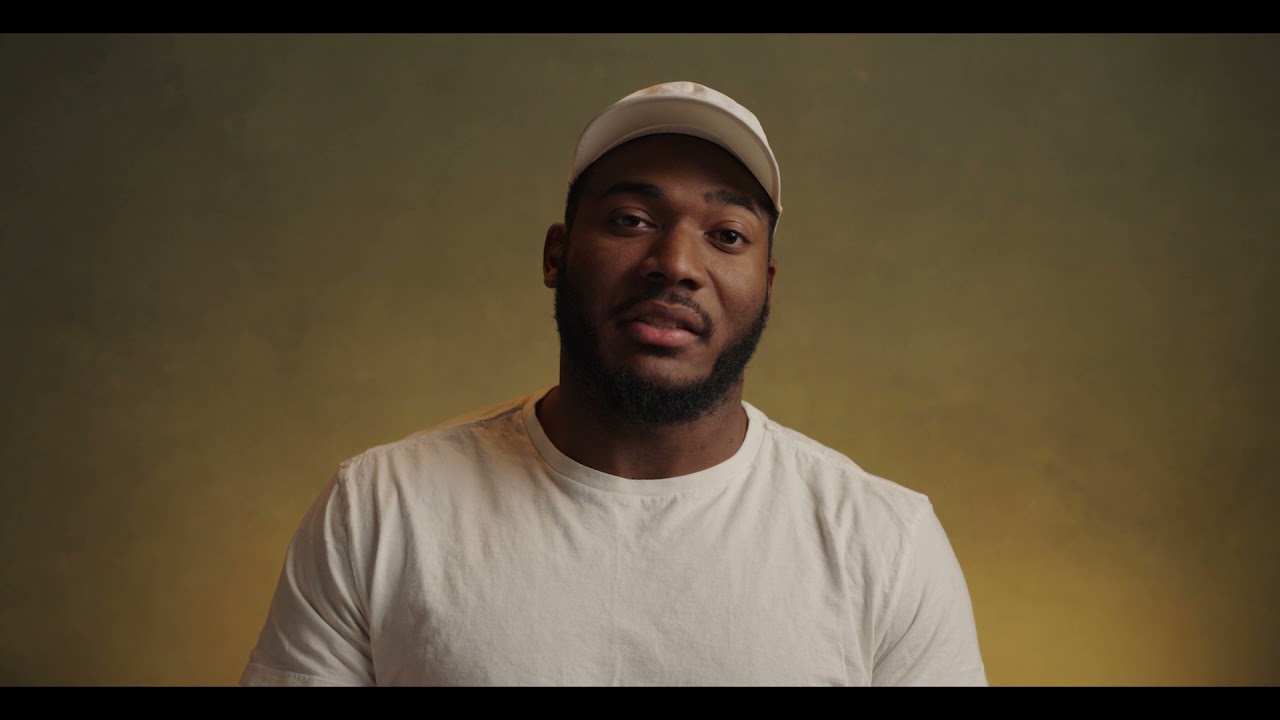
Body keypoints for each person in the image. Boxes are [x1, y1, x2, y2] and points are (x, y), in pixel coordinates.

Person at [238, 80, 988, 686]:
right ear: (556, 255)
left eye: (726, 236)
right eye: (631, 219)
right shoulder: (380, 509)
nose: (677, 263)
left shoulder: (885, 545)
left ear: (766, 282)